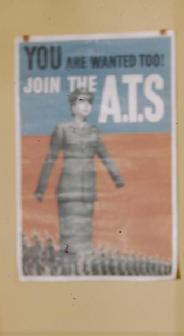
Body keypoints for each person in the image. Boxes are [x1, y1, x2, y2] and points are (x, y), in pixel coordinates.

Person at [34, 87, 124, 264]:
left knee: (85, 232)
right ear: (73, 106)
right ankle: (67, 267)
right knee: (68, 234)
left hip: (87, 191)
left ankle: (83, 269)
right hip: (68, 190)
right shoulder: (62, 129)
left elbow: (105, 155)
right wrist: (40, 189)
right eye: (81, 102)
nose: (86, 106)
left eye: (89, 102)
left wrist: (117, 178)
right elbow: (50, 159)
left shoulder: (93, 132)